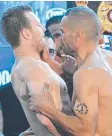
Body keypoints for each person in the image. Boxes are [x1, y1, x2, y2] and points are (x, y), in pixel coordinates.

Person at [29, 7, 112, 136]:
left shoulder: (86, 74)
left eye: (63, 32)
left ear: (77, 36)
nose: (61, 38)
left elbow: (85, 131)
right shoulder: (107, 58)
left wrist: (48, 109)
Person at [1, 5, 74, 136]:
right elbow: (45, 119)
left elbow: (38, 117)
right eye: (38, 25)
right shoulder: (35, 68)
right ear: (26, 33)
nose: (43, 28)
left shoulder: (18, 68)